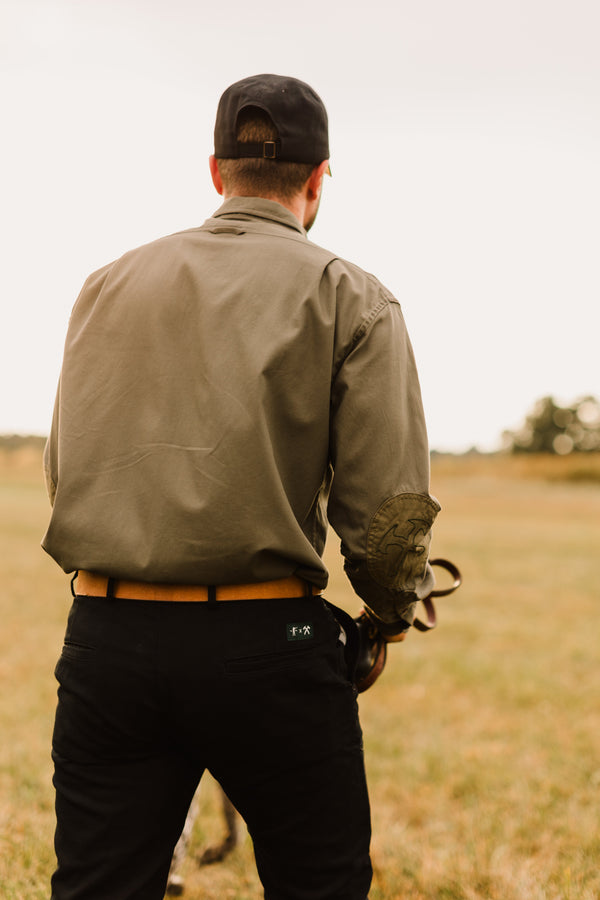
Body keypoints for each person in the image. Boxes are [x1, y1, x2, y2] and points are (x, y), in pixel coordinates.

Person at [43, 73, 440, 900]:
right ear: (319, 178)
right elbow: (388, 515)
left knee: (97, 887)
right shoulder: (352, 295)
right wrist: (390, 614)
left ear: (216, 172)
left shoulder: (107, 284)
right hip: (270, 646)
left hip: (107, 640)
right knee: (318, 882)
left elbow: (65, 468)